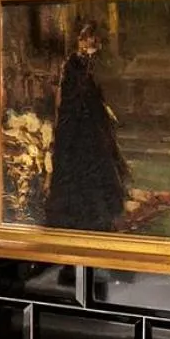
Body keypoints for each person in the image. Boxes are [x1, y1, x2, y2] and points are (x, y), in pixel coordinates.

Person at [45, 20, 131, 232]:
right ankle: (75, 212)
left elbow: (96, 91)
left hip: (92, 119)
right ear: (80, 40)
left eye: (93, 38)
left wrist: (102, 108)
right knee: (77, 163)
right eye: (86, 38)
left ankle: (101, 211)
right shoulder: (73, 63)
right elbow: (73, 94)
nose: (90, 42)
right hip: (75, 121)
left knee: (100, 161)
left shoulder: (91, 63)